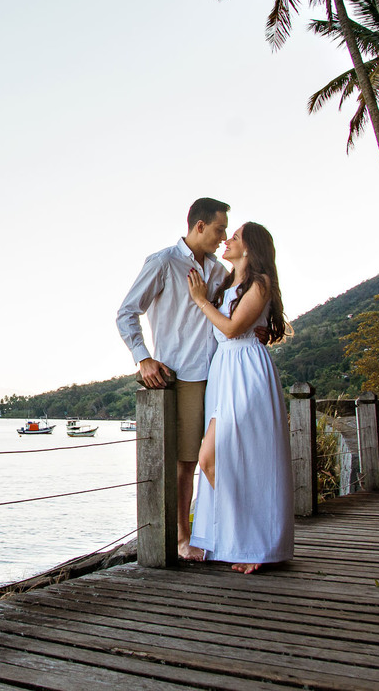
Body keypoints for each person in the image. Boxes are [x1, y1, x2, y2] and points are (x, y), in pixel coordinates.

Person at [117, 197, 230, 561]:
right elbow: (126, 313)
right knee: (186, 463)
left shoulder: (217, 270)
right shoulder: (164, 261)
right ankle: (183, 539)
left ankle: (220, 530)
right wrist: (144, 358)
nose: (222, 236)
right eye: (219, 229)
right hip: (185, 375)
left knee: (222, 455)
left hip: (221, 373)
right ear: (199, 226)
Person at [185, 222, 293, 574]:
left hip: (246, 372)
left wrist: (200, 300)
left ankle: (254, 542)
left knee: (214, 457)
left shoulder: (260, 283)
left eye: (235, 237)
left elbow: (233, 328)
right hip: (223, 371)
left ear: (249, 249)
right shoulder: (228, 283)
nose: (227, 240)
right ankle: (235, 539)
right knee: (215, 459)